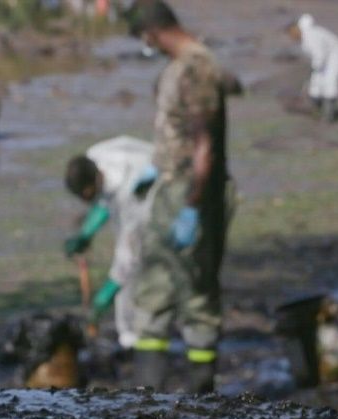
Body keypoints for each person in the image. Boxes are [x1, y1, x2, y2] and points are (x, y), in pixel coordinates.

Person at [125, 0, 235, 393]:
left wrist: (192, 206)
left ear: (152, 33)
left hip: (191, 191)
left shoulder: (195, 67)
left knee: (196, 294)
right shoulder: (185, 67)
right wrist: (158, 165)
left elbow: (204, 142)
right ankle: (146, 396)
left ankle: (200, 397)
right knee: (155, 288)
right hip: (175, 183)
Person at [63, 135, 158, 349]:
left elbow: (128, 255)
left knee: (134, 274)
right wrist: (87, 232)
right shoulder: (94, 157)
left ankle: (132, 338)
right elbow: (104, 201)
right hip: (142, 167)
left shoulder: (129, 193)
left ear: (90, 187)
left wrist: (104, 296)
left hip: (156, 193)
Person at [286, 14, 338, 122]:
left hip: (334, 56)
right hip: (325, 59)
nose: (291, 36)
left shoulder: (310, 35)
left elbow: (319, 54)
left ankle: (330, 115)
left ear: (296, 29)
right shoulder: (305, 37)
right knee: (315, 84)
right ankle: (318, 110)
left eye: (291, 33)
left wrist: (314, 68)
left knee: (330, 82)